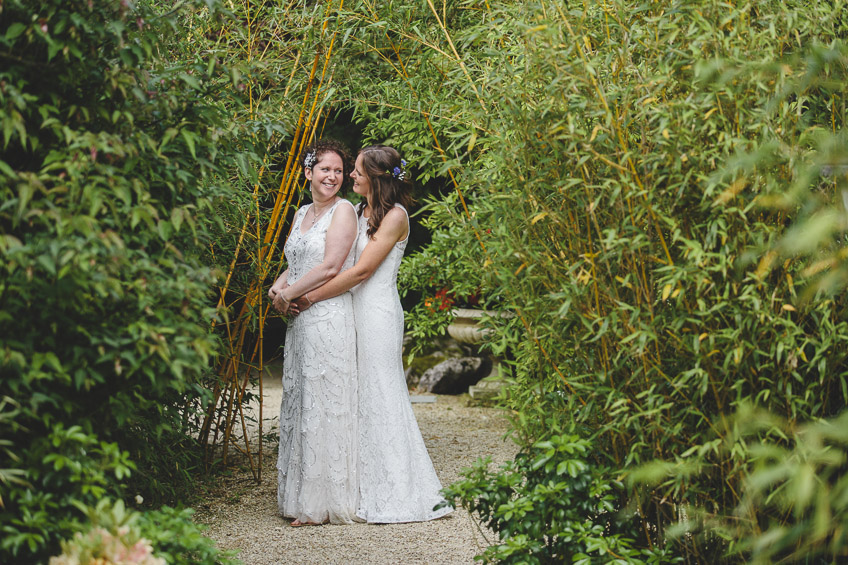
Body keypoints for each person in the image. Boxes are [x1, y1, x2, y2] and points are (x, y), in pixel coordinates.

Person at [291, 145, 452, 523]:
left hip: (377, 313)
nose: (350, 177)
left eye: (358, 172)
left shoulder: (395, 217)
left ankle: (398, 492)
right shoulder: (360, 211)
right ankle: (359, 488)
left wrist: (309, 297)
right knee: (357, 396)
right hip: (349, 311)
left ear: (376, 178)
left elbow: (361, 272)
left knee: (382, 393)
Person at [268, 139, 360, 526]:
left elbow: (329, 267)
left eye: (339, 170)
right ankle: (299, 497)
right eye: (325, 169)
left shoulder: (343, 212)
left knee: (324, 402)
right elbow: (296, 260)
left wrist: (289, 294)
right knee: (303, 402)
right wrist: (277, 286)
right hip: (300, 319)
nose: (333, 176)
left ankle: (322, 502)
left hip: (326, 316)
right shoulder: (302, 211)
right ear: (308, 173)